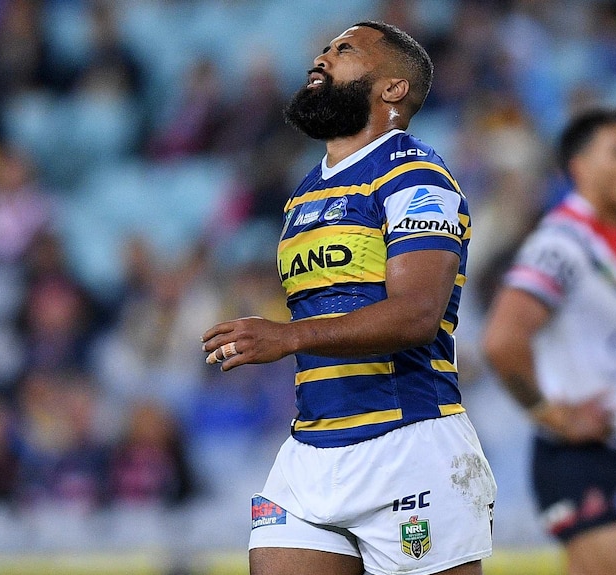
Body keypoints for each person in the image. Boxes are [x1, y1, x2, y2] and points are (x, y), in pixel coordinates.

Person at [200, 21, 496, 575]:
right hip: (311, 451)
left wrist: (286, 337)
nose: (322, 57)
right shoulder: (304, 194)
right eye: (322, 49)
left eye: (344, 50)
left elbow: (417, 315)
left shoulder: (415, 177)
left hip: (407, 443)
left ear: (392, 89)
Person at [482, 107, 616, 575]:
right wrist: (553, 416)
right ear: (580, 168)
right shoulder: (560, 246)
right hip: (577, 455)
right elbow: (501, 341)